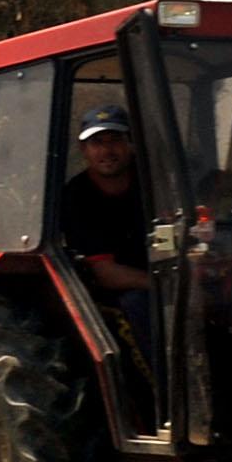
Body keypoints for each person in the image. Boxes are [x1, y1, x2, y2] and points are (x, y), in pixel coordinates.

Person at [53, 105, 160, 396]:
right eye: (96, 143)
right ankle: (166, 397)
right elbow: (105, 273)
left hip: (167, 274)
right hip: (116, 290)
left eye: (114, 140)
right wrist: (163, 284)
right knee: (140, 304)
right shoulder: (76, 197)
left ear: (130, 144)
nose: (106, 150)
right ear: (84, 150)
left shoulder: (156, 183)